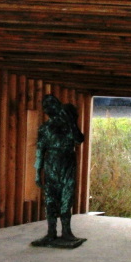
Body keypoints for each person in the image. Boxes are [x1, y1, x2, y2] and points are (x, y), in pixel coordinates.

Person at [32, 94, 86, 247]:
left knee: (66, 198)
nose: (48, 109)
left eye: (51, 105)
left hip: (67, 162)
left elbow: (79, 139)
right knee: (50, 199)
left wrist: (71, 122)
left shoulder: (68, 125)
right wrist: (37, 171)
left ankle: (67, 232)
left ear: (58, 107)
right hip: (51, 164)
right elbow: (40, 150)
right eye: (46, 106)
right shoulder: (44, 128)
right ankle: (51, 232)